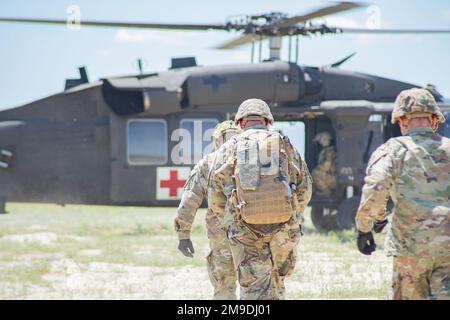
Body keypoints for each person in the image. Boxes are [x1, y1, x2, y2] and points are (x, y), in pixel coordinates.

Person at [211, 98, 312, 300]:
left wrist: (232, 220)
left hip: (246, 231)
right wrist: (292, 214)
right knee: (277, 282)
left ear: (240, 123)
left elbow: (216, 196)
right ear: (267, 121)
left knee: (252, 289)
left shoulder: (229, 147)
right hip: (284, 230)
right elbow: (305, 188)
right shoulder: (285, 145)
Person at [355, 88, 449, 300]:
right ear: (434, 120)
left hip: (411, 247)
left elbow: (377, 185)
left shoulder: (394, 149)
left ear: (401, 122)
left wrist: (367, 226)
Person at [174, 120, 241, 300]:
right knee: (257, 286)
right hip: (255, 234)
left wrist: (184, 235)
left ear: (217, 140)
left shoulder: (208, 163)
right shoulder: (256, 162)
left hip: (221, 235)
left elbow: (189, 201)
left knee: (224, 286)